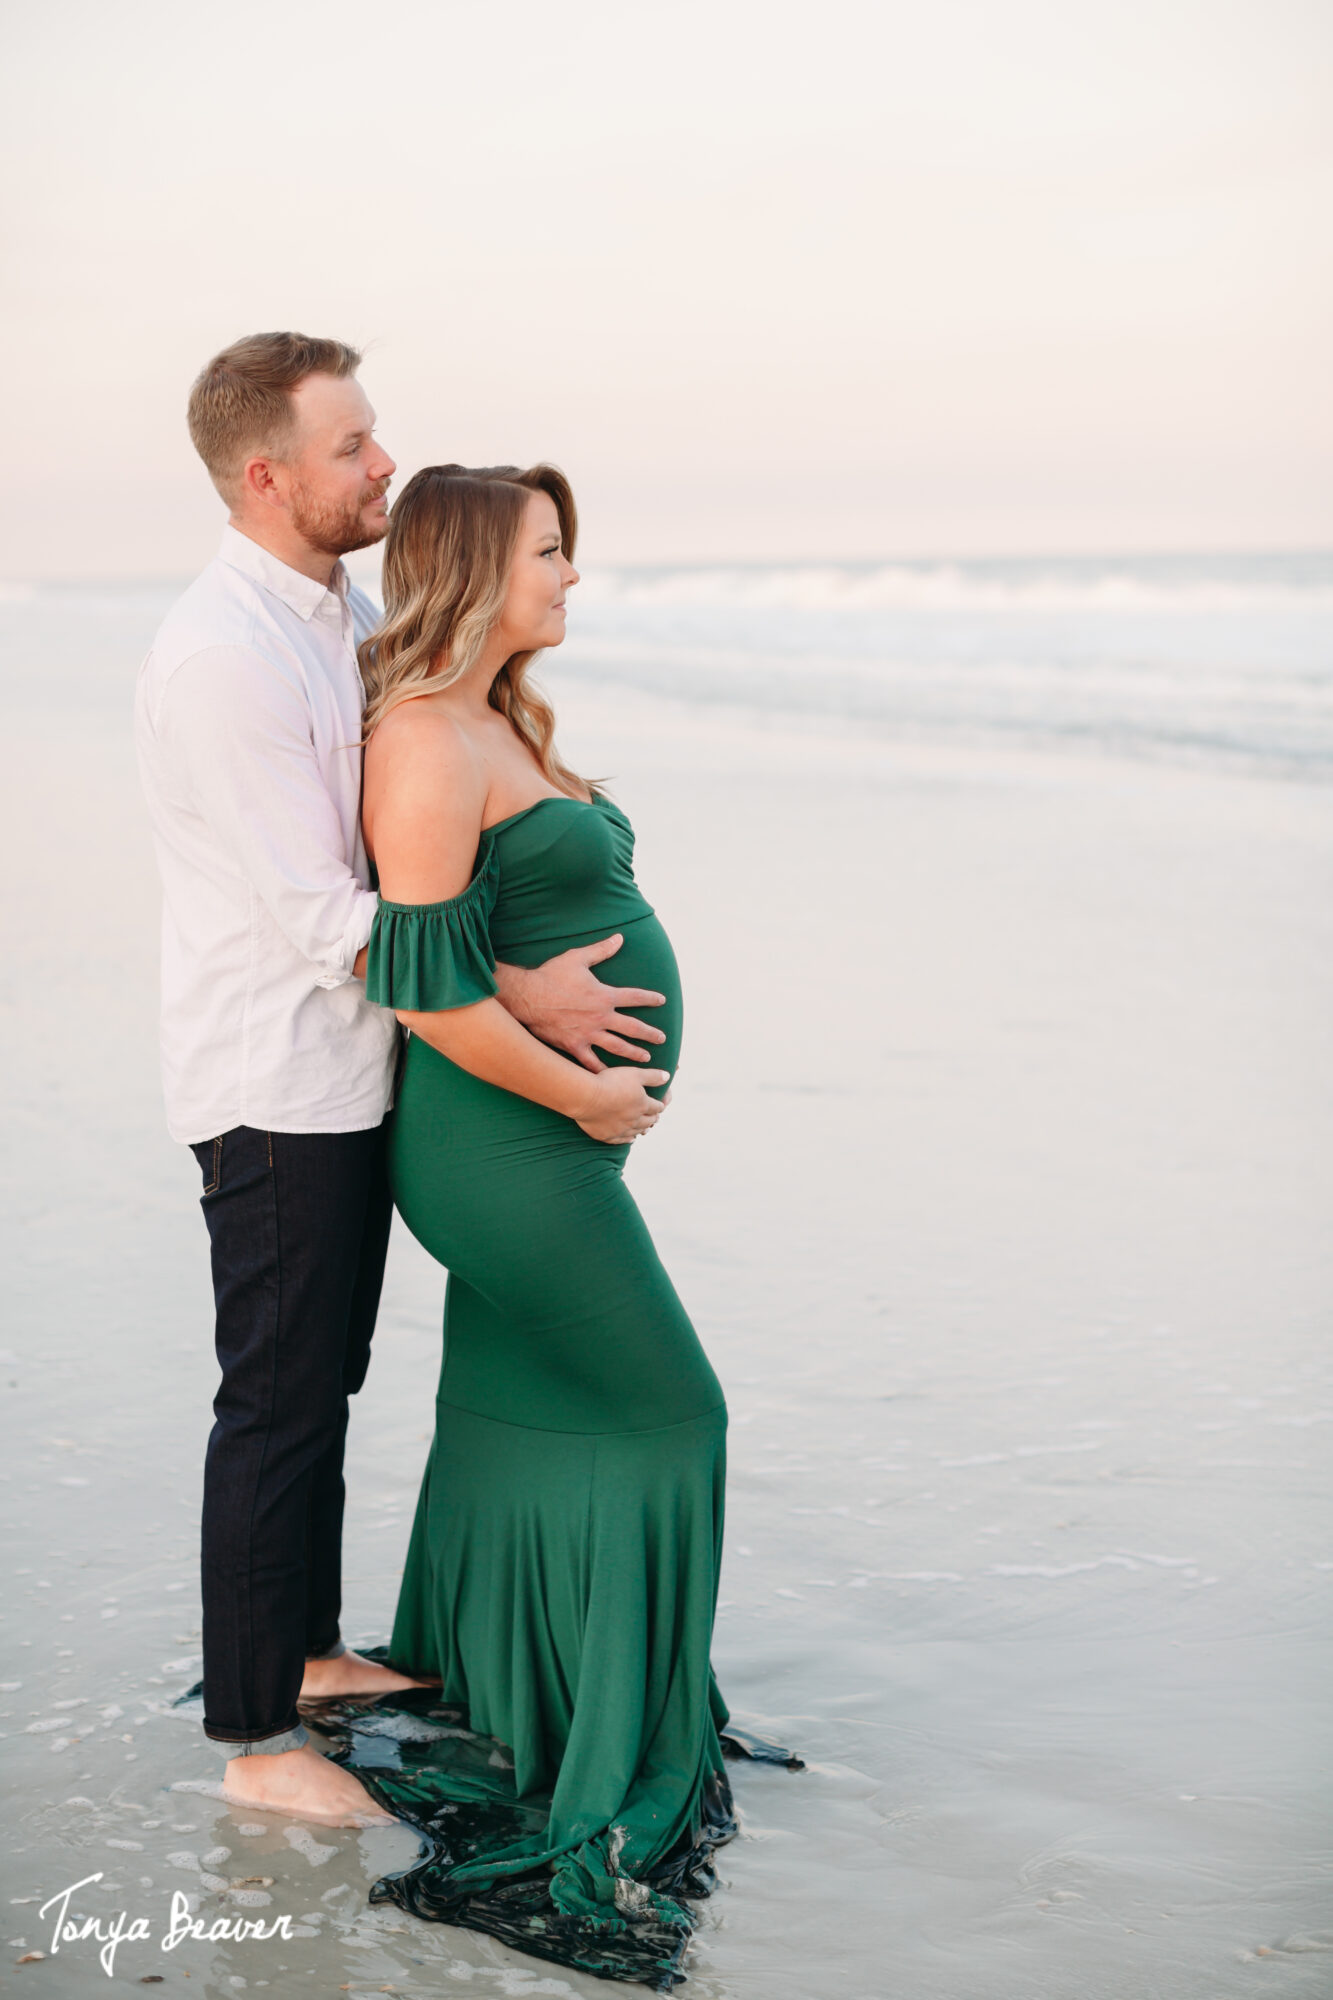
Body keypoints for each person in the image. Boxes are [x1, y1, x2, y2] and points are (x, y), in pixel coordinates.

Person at [134, 335, 670, 1826]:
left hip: (356, 1074)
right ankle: (256, 1739)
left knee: (328, 1381)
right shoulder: (223, 657)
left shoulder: (333, 613)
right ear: (267, 474)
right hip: (275, 1083)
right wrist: (523, 990)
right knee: (278, 1401)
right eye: (354, 446)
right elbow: (324, 917)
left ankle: (305, 1655)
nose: (384, 466)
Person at [349, 462, 746, 1982]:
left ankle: (505, 1702)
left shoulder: (498, 719)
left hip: (545, 1139)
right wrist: (580, 1103)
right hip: (502, 1148)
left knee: (518, 1408)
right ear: (471, 568)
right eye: (550, 552)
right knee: (670, 1416)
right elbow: (423, 987)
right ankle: (610, 1755)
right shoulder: (426, 742)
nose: (571, 577)